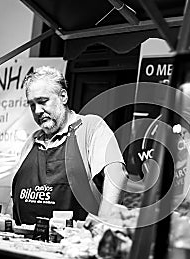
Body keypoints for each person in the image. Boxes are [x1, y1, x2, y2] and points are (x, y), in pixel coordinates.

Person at [10, 66, 126, 225]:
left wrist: (104, 221)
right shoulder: (32, 141)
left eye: (43, 101)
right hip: (23, 244)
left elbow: (116, 174)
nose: (37, 110)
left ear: (63, 96)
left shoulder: (90, 127)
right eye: (32, 105)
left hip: (73, 244)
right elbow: (14, 196)